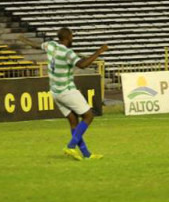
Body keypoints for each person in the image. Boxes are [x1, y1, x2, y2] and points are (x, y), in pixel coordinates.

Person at [19, 28, 108, 161]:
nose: (73, 39)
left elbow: (38, 45)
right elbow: (83, 65)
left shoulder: (51, 45)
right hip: (66, 90)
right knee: (89, 115)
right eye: (72, 36)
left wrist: (25, 41)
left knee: (73, 121)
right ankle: (71, 146)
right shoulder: (67, 53)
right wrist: (99, 52)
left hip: (55, 92)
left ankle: (86, 154)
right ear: (68, 37)